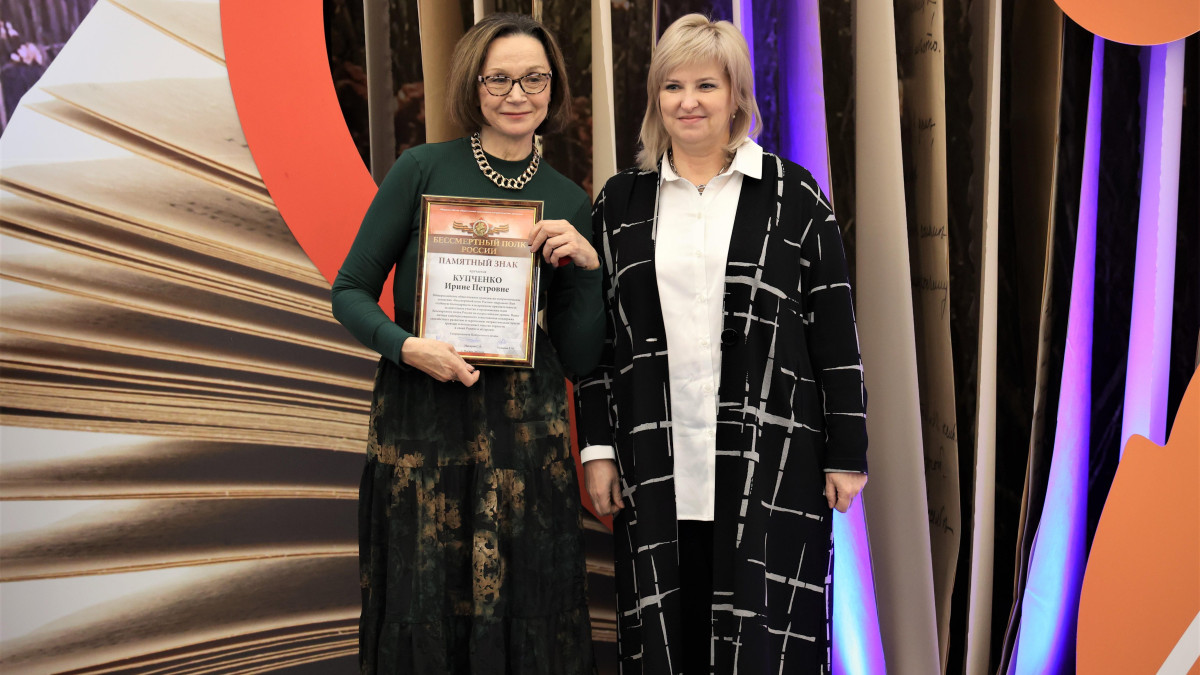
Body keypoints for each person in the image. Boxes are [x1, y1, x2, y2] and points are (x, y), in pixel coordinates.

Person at [576, 13, 869, 674]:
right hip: (654, 463)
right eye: (672, 86)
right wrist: (597, 447)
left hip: (774, 458)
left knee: (766, 642)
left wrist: (847, 451)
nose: (688, 102)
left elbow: (835, 331)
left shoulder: (795, 197)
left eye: (706, 85)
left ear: (736, 95)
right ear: (655, 97)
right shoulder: (620, 203)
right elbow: (601, 342)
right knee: (665, 639)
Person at [331, 13, 602, 674]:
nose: (517, 94)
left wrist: (590, 268)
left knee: (524, 601)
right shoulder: (421, 169)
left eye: (534, 78)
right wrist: (406, 347)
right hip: (422, 422)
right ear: (473, 85)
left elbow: (580, 356)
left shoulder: (568, 200)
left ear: (553, 87)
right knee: (423, 599)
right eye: (498, 79)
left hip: (523, 440)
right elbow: (350, 290)